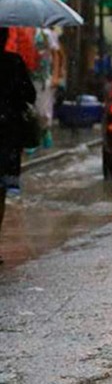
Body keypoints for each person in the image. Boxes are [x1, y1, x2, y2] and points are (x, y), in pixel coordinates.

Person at [0, 27, 36, 264]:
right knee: (1, 189)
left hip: (7, 133)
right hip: (7, 134)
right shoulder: (13, 62)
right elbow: (29, 95)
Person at [27, 27, 63, 151]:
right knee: (32, 108)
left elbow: (56, 54)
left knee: (43, 109)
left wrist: (56, 75)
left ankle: (45, 130)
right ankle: (33, 137)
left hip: (44, 77)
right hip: (30, 75)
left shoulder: (46, 34)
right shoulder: (25, 31)